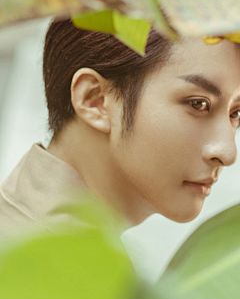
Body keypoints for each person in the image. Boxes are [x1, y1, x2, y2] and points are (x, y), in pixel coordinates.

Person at [0, 18, 239, 235]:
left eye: (236, 113)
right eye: (198, 104)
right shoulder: (57, 272)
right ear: (95, 100)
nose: (228, 153)